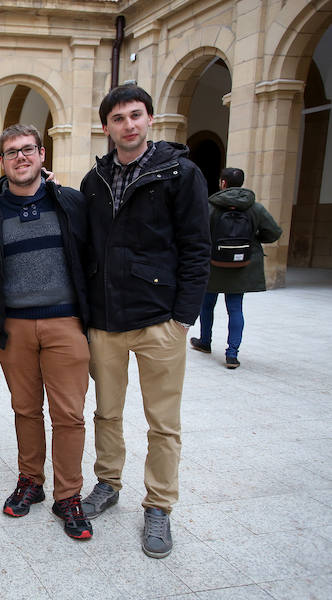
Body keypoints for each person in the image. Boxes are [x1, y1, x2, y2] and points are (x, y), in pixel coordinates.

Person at [80, 84, 210, 559]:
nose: (128, 125)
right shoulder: (94, 181)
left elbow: (197, 247)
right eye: (118, 118)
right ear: (106, 127)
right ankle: (108, 482)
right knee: (106, 412)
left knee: (163, 422)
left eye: (136, 115)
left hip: (160, 320)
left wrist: (183, 317)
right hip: (107, 320)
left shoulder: (181, 173)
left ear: (150, 119)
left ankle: (159, 505)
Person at [0, 124, 92, 539]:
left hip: (66, 322)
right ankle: (31, 481)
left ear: (42, 154)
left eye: (27, 149)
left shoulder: (71, 202)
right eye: (11, 152)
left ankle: (69, 495)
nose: (20, 157)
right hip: (14, 326)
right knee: (25, 409)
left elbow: (91, 259)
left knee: (69, 415)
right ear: (2, 161)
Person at [189, 168, 282, 369]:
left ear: (223, 183)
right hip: (241, 265)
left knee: (207, 304)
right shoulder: (254, 207)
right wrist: (253, 241)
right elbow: (274, 232)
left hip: (213, 263)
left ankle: (205, 341)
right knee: (235, 307)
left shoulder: (210, 206)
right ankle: (232, 354)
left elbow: (195, 233)